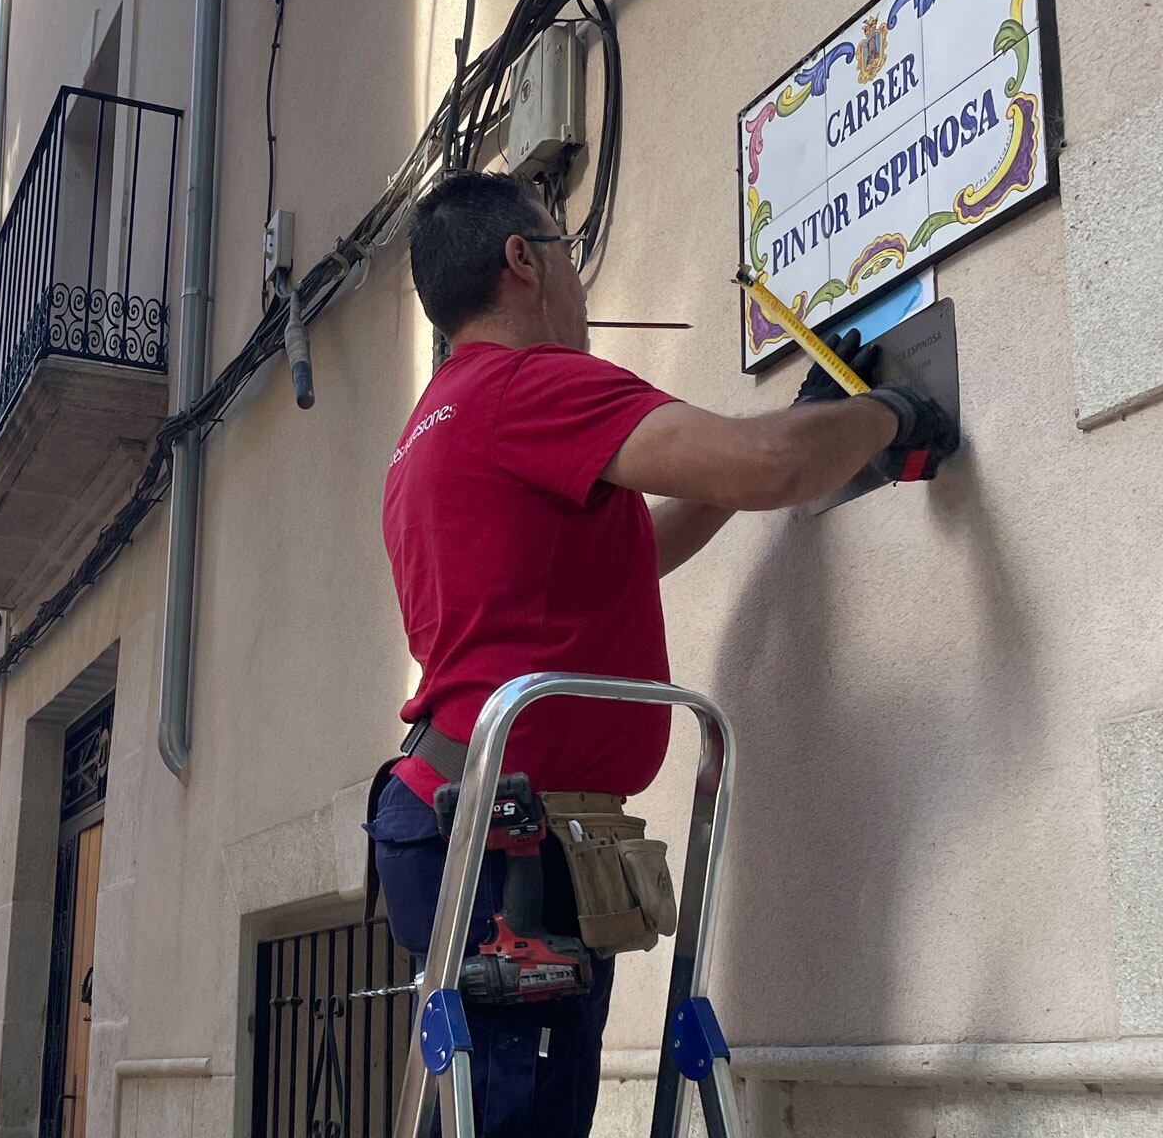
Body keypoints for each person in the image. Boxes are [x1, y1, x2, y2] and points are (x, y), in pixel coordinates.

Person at [372, 170, 957, 1137]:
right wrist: (889, 414)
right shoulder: (529, 383)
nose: (579, 283)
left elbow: (629, 554)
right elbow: (770, 465)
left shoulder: (434, 426)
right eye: (566, 252)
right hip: (505, 838)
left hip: (470, 820)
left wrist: (808, 421)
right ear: (523, 261)